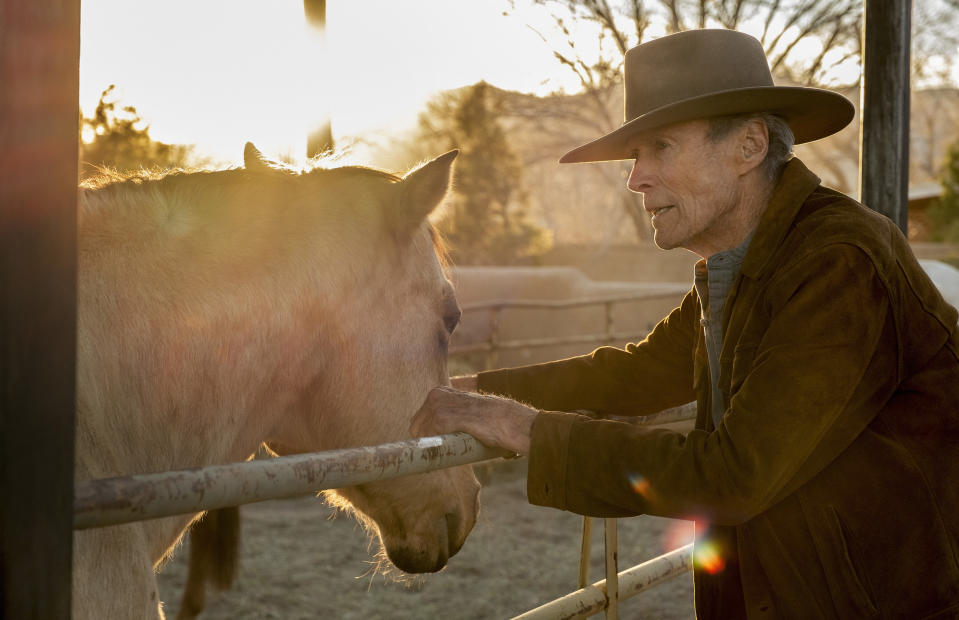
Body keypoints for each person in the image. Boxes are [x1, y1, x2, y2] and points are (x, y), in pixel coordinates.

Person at [411, 29, 959, 619]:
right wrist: (470, 395)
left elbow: (734, 474)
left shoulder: (838, 263)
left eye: (661, 147)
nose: (635, 178)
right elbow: (641, 373)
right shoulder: (748, 264)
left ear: (749, 146)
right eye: (635, 156)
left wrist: (523, 429)